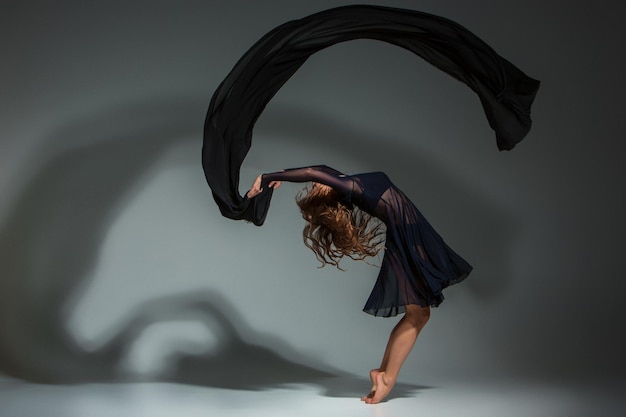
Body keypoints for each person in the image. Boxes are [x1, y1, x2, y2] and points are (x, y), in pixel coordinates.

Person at [246, 165, 472, 404]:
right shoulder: (350, 187)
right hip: (409, 237)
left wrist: (279, 174)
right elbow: (313, 171)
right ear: (328, 192)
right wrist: (267, 177)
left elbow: (319, 168)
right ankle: (386, 376)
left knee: (418, 313)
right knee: (418, 314)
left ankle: (384, 374)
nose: (313, 183)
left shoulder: (345, 183)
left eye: (313, 184)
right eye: (315, 187)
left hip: (407, 234)